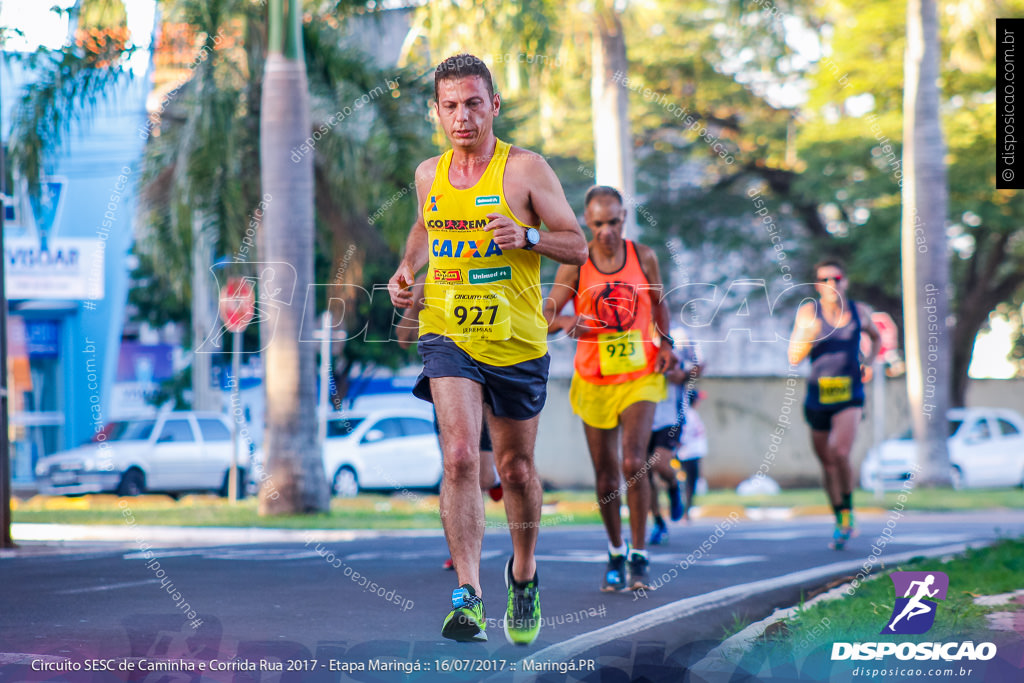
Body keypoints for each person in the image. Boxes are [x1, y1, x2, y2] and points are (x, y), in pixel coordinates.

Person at [387, 53, 587, 645]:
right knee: (458, 458)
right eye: (450, 106)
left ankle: (522, 575)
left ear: (493, 105)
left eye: (473, 103)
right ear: (438, 112)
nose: (462, 117)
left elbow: (576, 245)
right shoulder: (430, 174)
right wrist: (406, 271)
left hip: (517, 341)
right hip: (448, 330)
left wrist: (525, 236)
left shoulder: (526, 171)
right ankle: (468, 595)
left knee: (516, 469)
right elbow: (426, 226)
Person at [544, 186, 677, 592]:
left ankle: (639, 555)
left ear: (624, 219)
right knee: (605, 478)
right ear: (587, 221)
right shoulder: (576, 262)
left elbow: (658, 303)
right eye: (598, 223)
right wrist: (569, 323)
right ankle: (615, 550)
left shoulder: (643, 256)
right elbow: (546, 314)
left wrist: (666, 341)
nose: (606, 231)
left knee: (633, 460)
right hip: (594, 379)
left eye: (614, 222)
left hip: (639, 375)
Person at [394, 274, 503, 571]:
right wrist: (416, 306)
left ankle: (494, 480)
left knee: (479, 475)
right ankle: (462, 552)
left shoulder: (491, 270)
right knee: (455, 465)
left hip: (490, 378)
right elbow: (403, 339)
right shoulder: (431, 280)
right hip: (447, 383)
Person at [788, 259, 880, 550]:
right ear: (818, 285)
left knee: (840, 452)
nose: (832, 284)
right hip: (818, 395)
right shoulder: (808, 313)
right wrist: (810, 336)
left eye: (836, 278)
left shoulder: (859, 311)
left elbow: (875, 338)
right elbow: (793, 357)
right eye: (825, 280)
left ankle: (848, 514)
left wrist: (869, 362)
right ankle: (838, 514)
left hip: (850, 393)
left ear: (845, 282)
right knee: (826, 462)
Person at [647, 342, 702, 545]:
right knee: (643, 474)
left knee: (659, 464)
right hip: (640, 416)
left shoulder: (678, 338)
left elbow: (695, 368)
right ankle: (658, 522)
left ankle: (673, 484)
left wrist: (679, 372)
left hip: (669, 418)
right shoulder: (634, 333)